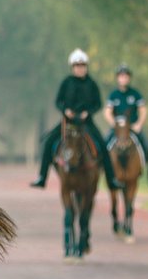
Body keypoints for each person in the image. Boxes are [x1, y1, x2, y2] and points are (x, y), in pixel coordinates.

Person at [30, 49, 123, 191]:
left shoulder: (91, 84)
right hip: (68, 122)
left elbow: (98, 103)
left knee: (103, 146)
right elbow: (58, 101)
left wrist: (88, 112)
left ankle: (111, 180)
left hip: (86, 123)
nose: (80, 68)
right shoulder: (66, 83)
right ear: (72, 67)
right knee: (48, 141)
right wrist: (65, 110)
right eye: (77, 66)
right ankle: (42, 177)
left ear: (86, 67)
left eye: (83, 66)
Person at [103, 64, 148, 186]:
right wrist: (114, 124)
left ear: (129, 78)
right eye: (121, 76)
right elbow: (107, 112)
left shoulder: (135, 94)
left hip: (133, 129)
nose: (123, 79)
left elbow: (143, 110)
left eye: (126, 76)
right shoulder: (113, 95)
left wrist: (139, 124)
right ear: (117, 78)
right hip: (117, 130)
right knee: (103, 148)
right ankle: (107, 174)